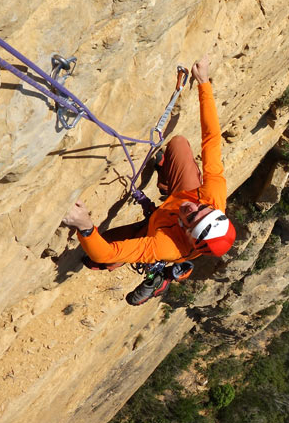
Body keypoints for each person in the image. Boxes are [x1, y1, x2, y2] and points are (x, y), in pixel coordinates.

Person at [62, 56, 236, 305]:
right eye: (202, 209)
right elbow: (211, 139)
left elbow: (105, 251)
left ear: (187, 233)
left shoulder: (167, 246)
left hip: (158, 231)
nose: (192, 208)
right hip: (172, 206)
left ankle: (161, 279)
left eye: (191, 217)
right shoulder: (212, 195)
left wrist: (85, 226)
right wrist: (204, 82)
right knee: (177, 145)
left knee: (99, 258)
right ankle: (166, 182)